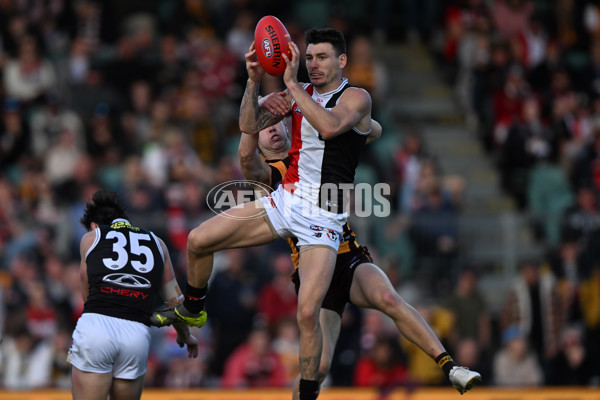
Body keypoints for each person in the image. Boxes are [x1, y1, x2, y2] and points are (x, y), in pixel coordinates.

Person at [153, 27, 374, 400]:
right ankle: (192, 310)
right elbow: (248, 129)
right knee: (197, 240)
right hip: (286, 202)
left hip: (322, 217)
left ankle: (306, 393)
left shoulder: (349, 97)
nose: (313, 64)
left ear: (341, 61)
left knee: (307, 315)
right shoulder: (294, 102)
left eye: (321, 57)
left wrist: (292, 84)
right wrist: (253, 82)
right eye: (309, 58)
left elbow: (331, 126)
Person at [236, 97, 481, 396]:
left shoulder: (314, 153)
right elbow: (247, 159)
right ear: (257, 140)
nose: (272, 130)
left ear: (290, 129)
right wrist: (254, 112)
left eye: (277, 124)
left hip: (347, 255)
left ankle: (451, 367)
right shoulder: (268, 176)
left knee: (389, 299)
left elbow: (372, 130)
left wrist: (344, 119)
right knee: (318, 368)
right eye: (264, 128)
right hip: (315, 273)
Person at [67, 189, 198, 400]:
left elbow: (87, 293)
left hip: (97, 326)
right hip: (136, 334)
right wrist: (185, 335)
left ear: (93, 225)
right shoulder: (158, 243)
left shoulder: (90, 239)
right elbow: (176, 301)